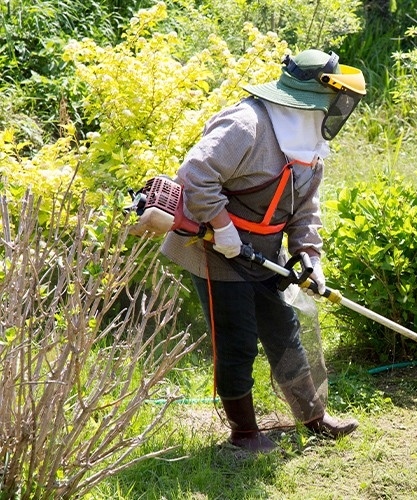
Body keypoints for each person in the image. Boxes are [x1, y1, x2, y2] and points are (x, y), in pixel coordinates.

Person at [160, 49, 366, 454]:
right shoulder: (247, 124)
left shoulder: (310, 142)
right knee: (236, 342)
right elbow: (195, 174)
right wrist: (222, 226)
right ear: (313, 95)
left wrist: (309, 255)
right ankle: (244, 435)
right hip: (217, 249)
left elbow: (306, 208)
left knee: (285, 333)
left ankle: (313, 417)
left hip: (266, 254)